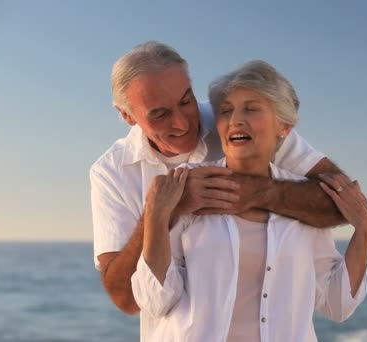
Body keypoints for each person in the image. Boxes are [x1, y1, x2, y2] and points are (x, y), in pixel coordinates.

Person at [90, 41, 350, 319]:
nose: (181, 123)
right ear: (127, 116)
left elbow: (342, 203)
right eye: (160, 114)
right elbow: (126, 299)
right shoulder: (112, 171)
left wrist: (251, 192)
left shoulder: (240, 120)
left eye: (185, 101)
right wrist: (165, 210)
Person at [131, 60, 367, 341]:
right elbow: (154, 301)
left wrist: (365, 230)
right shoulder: (187, 184)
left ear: (284, 126)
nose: (235, 119)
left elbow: (337, 304)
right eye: (226, 111)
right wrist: (156, 215)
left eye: (251, 108)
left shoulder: (302, 199)